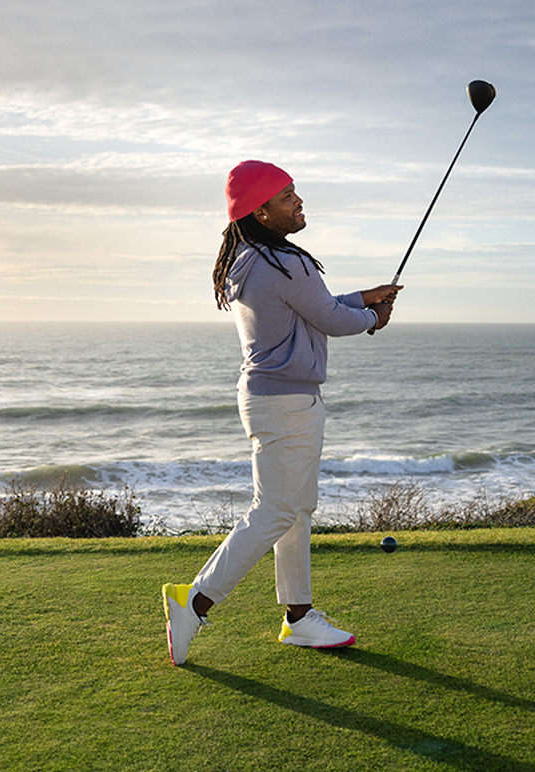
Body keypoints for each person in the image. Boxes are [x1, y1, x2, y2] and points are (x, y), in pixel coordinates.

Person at [162, 160, 401, 665]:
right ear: (261, 211)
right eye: (287, 195)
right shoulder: (284, 264)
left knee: (295, 509)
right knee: (275, 511)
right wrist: (373, 317)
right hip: (288, 403)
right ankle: (195, 602)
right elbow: (333, 319)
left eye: (295, 191)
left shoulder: (253, 260)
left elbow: (315, 305)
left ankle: (299, 617)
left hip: (274, 400)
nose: (298, 201)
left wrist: (363, 296)